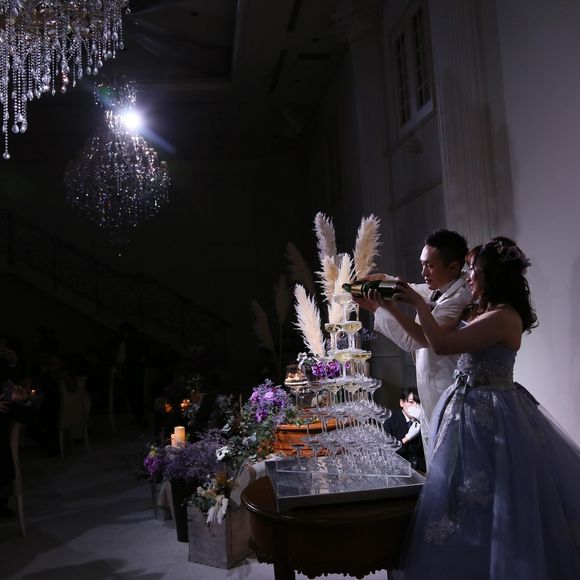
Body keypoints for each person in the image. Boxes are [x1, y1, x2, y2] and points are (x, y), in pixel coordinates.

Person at [392, 237, 580, 580]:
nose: (469, 276)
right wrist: (389, 309)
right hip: (466, 412)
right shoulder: (483, 312)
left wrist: (419, 303)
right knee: (461, 497)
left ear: (492, 274)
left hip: (492, 415)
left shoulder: (504, 317)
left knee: (493, 499)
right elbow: (424, 339)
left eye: (473, 270)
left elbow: (442, 344)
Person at [356, 229, 472, 454]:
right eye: (422, 264)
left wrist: (380, 309)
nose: (423, 272)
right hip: (431, 389)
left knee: (448, 453)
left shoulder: (458, 300)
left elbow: (414, 341)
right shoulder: (443, 288)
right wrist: (382, 280)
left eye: (430, 266)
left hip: (445, 387)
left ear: (453, 267)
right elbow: (414, 290)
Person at [383, 386, 426, 472]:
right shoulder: (390, 421)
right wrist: (407, 437)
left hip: (423, 471)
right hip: (400, 470)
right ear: (402, 403)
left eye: (419, 403)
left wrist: (424, 422)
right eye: (411, 402)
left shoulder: (425, 421)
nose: (416, 406)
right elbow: (387, 452)